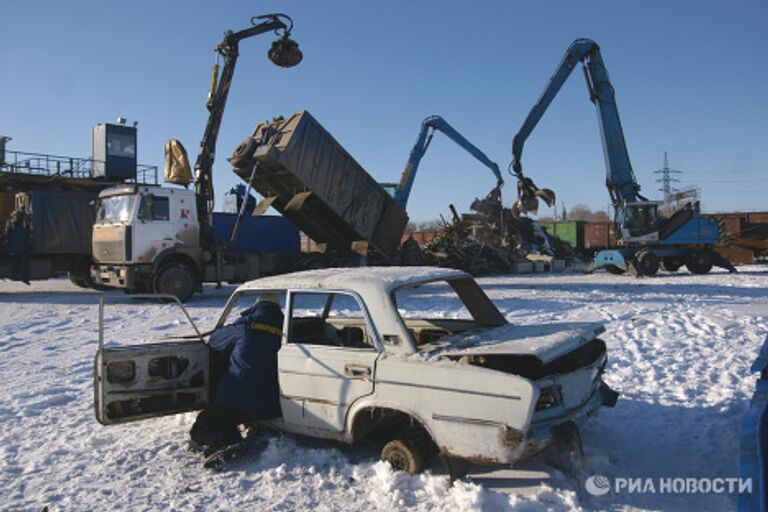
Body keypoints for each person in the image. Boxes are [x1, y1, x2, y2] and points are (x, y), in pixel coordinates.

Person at [189, 292, 284, 455]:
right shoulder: (286, 329)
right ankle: (230, 436)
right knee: (226, 418)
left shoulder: (247, 325)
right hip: (272, 403)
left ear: (256, 307)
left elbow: (215, 341)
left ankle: (229, 442)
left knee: (201, 427)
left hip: (237, 399)